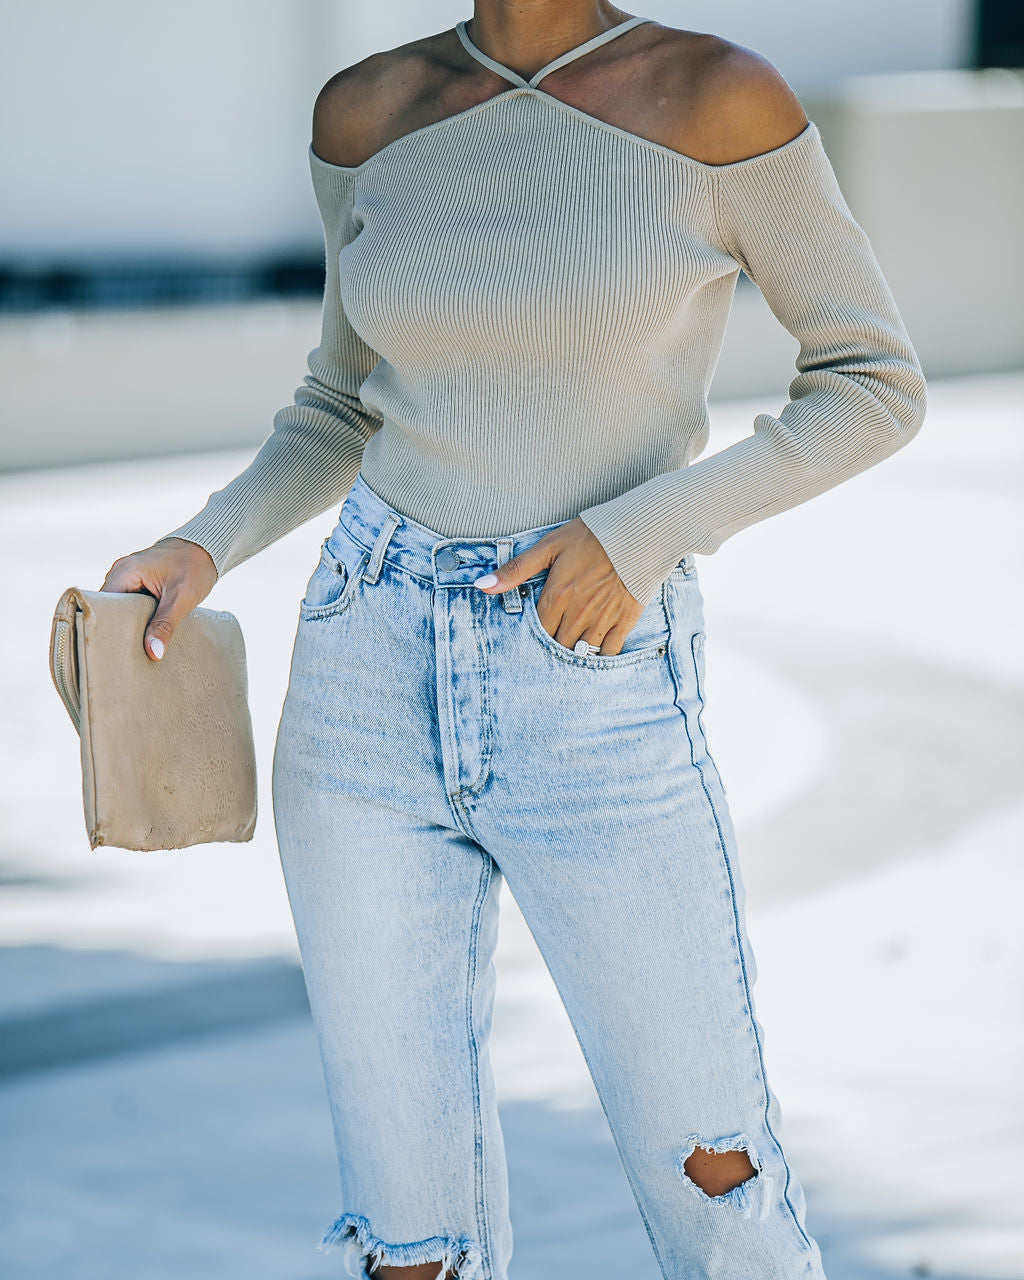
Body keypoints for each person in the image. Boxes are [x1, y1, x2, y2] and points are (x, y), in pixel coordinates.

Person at [101, 5, 926, 1278]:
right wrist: (204, 542)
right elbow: (341, 399)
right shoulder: (367, 113)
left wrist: (642, 532)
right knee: (409, 1236)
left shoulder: (717, 97)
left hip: (594, 676)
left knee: (717, 1185)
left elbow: (872, 379)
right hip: (363, 673)